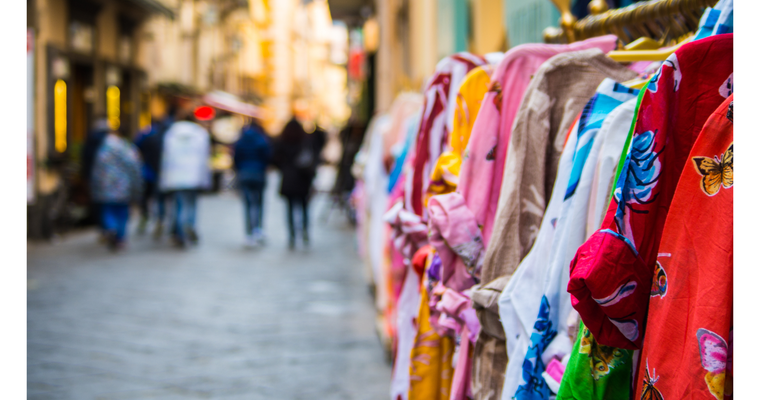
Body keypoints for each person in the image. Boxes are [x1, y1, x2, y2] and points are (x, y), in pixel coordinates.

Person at [159, 109, 212, 248]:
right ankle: (189, 226)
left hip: (175, 176)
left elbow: (166, 158)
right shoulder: (200, 133)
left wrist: (164, 179)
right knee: (191, 205)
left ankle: (181, 232)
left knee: (178, 205)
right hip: (194, 175)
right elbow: (204, 158)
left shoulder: (171, 134)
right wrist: (205, 179)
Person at [272, 116, 326, 249]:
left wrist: (284, 168)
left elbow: (275, 159)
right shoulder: (305, 140)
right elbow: (314, 157)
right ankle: (305, 232)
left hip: (288, 180)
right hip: (303, 180)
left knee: (290, 210)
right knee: (304, 208)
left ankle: (292, 236)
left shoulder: (282, 141)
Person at [90, 128, 143, 251]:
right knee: (122, 213)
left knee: (108, 210)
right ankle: (120, 238)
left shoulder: (103, 150)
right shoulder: (127, 149)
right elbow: (135, 168)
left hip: (106, 186)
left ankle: (110, 228)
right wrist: (137, 187)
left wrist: (95, 186)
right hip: (124, 186)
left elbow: (97, 170)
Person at [233, 119, 272, 247]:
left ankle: (248, 233)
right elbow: (267, 156)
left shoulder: (241, 139)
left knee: (248, 204)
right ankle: (258, 229)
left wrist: (239, 169)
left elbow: (236, 156)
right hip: (259, 173)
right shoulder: (262, 139)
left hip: (244, 173)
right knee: (259, 203)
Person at [134, 113, 173, 238]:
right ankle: (160, 219)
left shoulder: (145, 135)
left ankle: (145, 216)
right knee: (160, 198)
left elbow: (135, 147)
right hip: (161, 173)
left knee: (145, 197)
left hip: (147, 172)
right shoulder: (166, 136)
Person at [81, 116, 111, 236]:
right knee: (111, 202)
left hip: (94, 177)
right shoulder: (110, 142)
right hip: (111, 178)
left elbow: (85, 159)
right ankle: (110, 227)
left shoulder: (90, 140)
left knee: (98, 202)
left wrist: (86, 176)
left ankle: (103, 227)